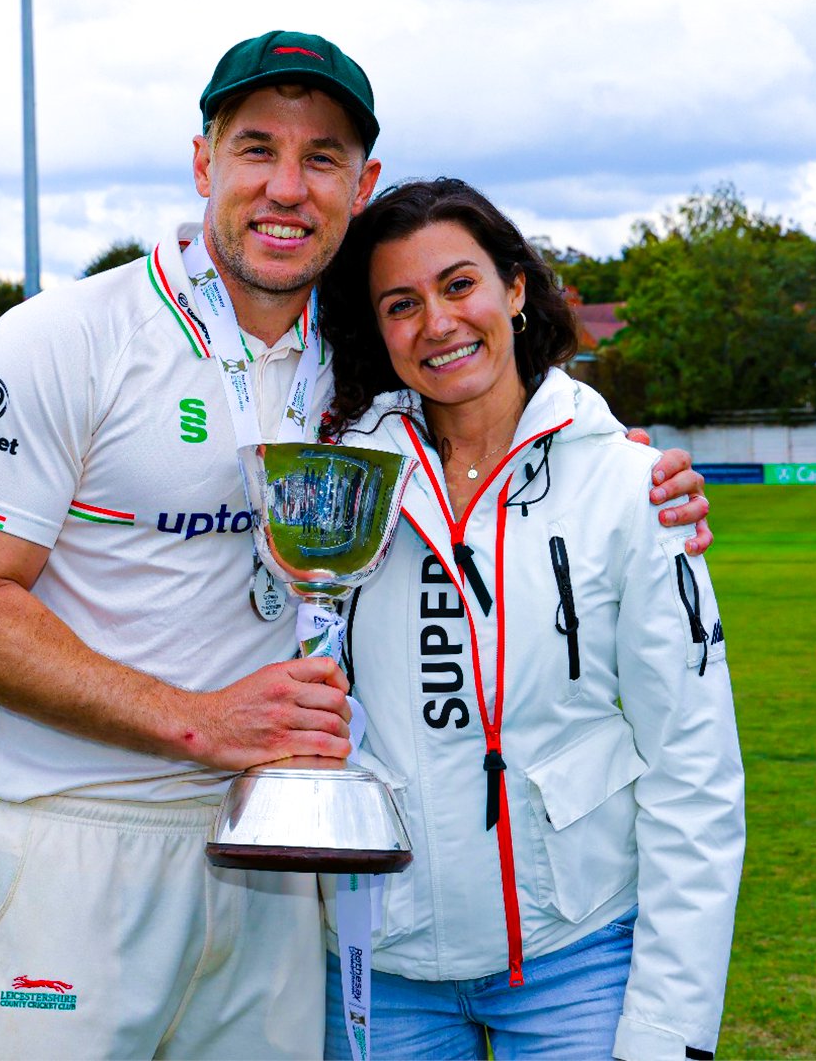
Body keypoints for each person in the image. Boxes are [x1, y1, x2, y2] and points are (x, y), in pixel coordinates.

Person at [0, 31, 710, 1061]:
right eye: (256, 150)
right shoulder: (64, 339)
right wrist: (200, 724)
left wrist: (625, 465)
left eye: (322, 157)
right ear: (204, 161)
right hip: (77, 837)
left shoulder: (364, 365)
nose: (287, 187)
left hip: (288, 868)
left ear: (361, 181)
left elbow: (498, 424)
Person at [317, 178, 745, 1061]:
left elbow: (693, 768)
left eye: (459, 284)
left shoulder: (631, 487)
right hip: (376, 964)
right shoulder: (335, 490)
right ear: (378, 330)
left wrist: (670, 1030)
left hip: (577, 962)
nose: (436, 322)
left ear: (515, 289)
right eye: (401, 304)